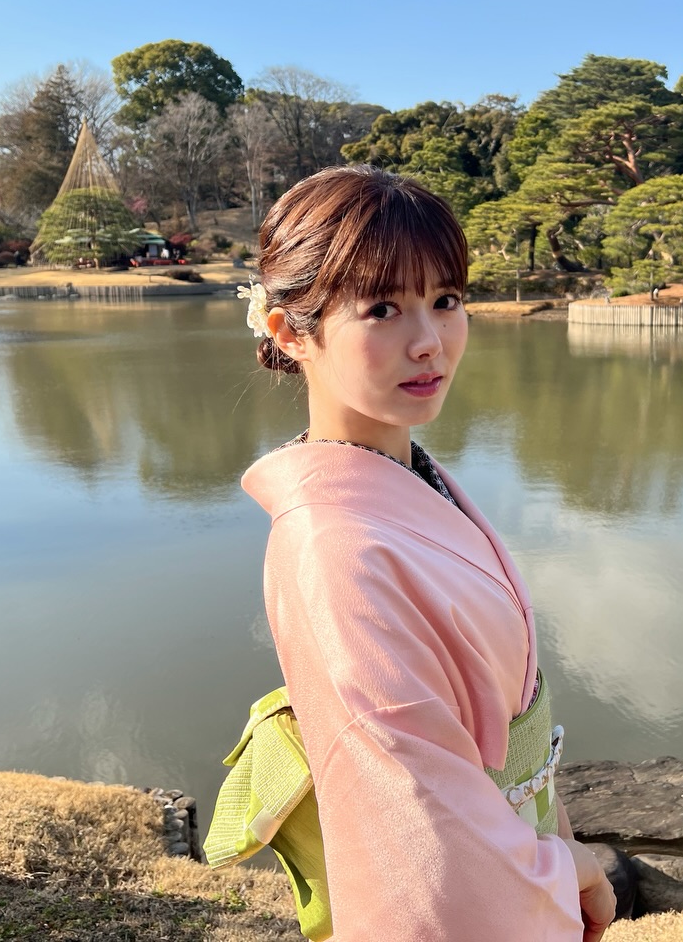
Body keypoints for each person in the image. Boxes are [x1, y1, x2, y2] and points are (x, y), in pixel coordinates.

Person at [234, 165, 615, 940]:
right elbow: (420, 820)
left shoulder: (411, 478)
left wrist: (558, 838)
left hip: (524, 844)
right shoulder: (336, 550)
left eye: (446, 300)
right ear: (290, 332)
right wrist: (561, 868)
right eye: (383, 309)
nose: (430, 342)